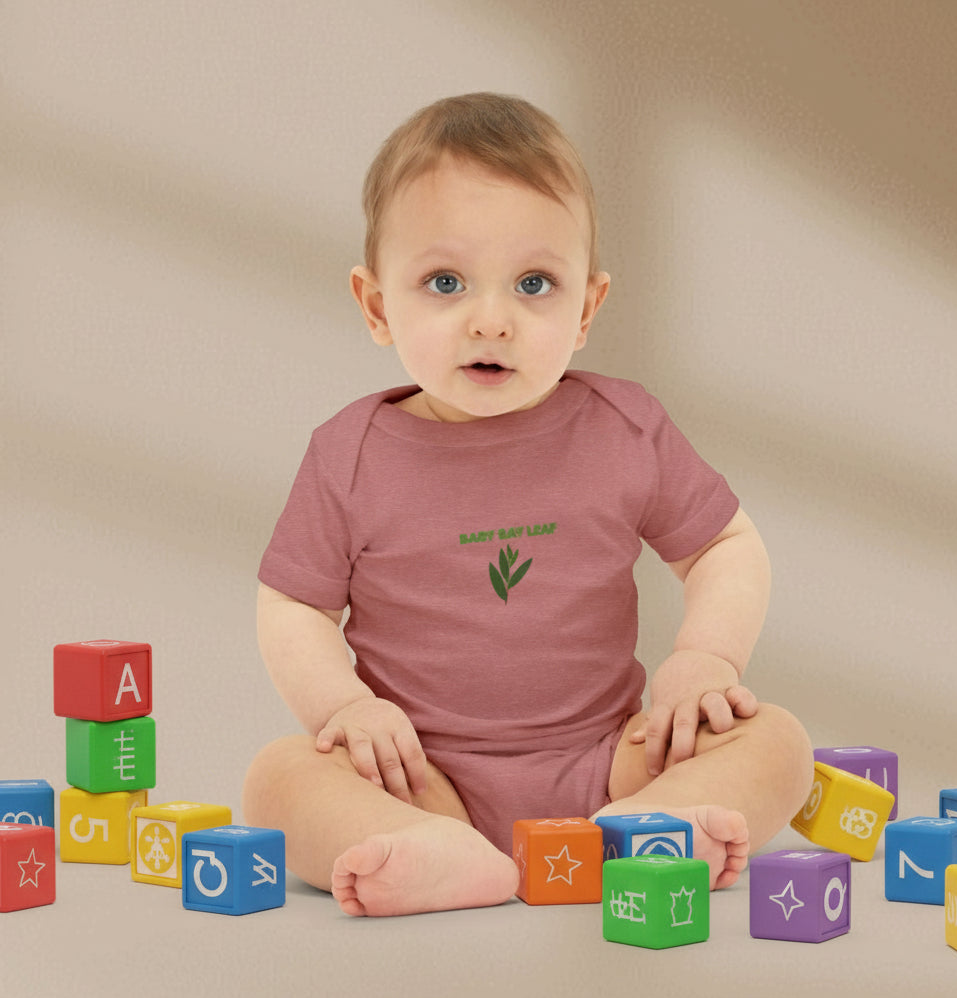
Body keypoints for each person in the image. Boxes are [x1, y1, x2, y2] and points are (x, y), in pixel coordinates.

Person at [242, 92, 813, 917]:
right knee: (279, 778)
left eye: (534, 284)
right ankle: (440, 851)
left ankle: (642, 828)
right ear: (375, 306)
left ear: (586, 308)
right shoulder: (350, 454)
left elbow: (725, 545)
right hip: (419, 777)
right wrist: (346, 709)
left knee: (777, 741)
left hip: (609, 761)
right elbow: (293, 603)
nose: (492, 321)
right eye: (445, 282)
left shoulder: (624, 427)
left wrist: (707, 660)